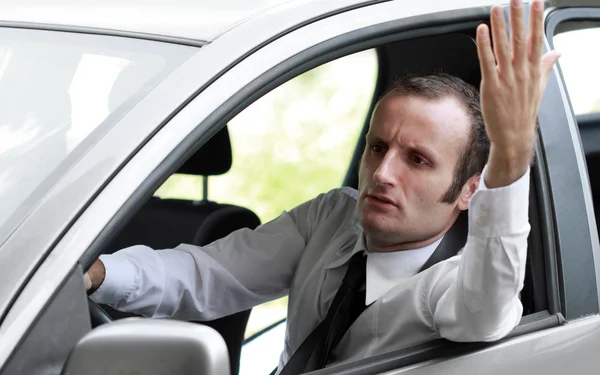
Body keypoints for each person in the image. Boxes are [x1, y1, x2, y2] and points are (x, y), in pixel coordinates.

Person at [85, 0, 560, 372]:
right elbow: (206, 275)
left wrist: (512, 154)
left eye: (417, 160)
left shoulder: (453, 283)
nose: (383, 172)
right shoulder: (331, 216)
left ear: (467, 192)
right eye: (377, 147)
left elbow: (488, 310)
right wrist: (94, 274)